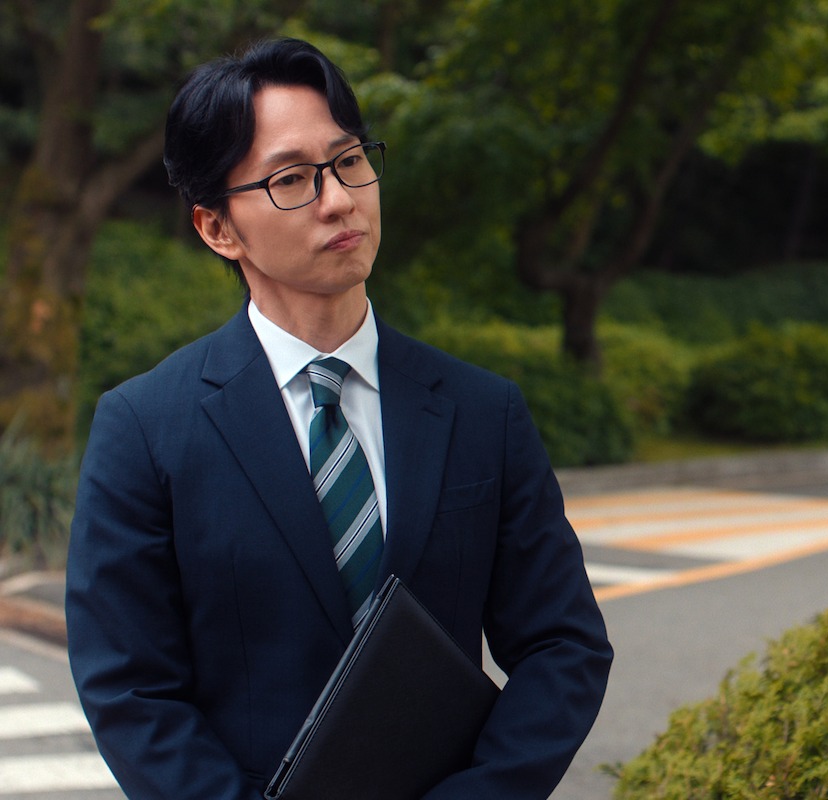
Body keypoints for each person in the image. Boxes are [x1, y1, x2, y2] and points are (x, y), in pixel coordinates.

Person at [65, 38, 612, 800]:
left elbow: (564, 645)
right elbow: (130, 688)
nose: (338, 199)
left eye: (349, 161)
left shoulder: (484, 412)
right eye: (292, 179)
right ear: (218, 228)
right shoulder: (146, 427)